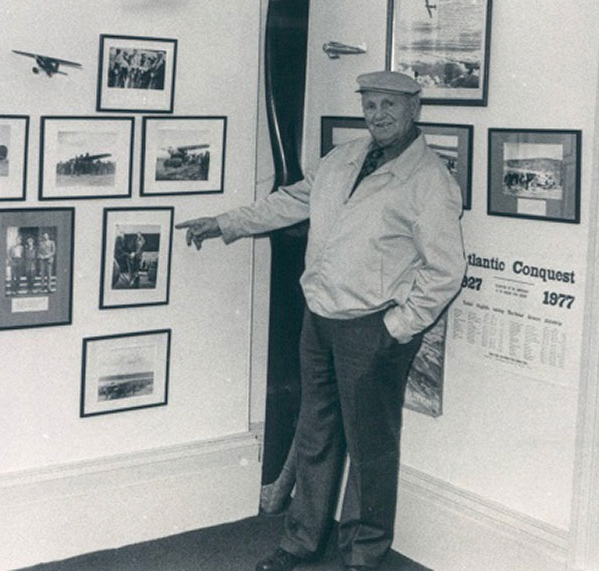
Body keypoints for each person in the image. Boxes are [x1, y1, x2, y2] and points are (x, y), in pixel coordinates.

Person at [176, 71, 465, 571]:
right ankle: (301, 540)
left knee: (371, 448)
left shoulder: (430, 181)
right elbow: (291, 201)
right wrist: (225, 224)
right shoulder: (344, 158)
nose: (378, 115)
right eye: (370, 105)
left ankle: (362, 555)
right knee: (315, 433)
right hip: (321, 319)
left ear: (414, 108)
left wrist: (397, 327)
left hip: (371, 329)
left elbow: (446, 270)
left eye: (389, 106)